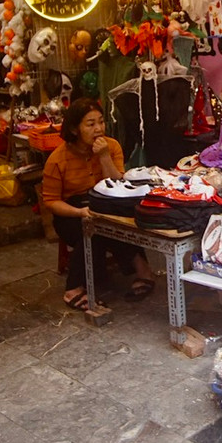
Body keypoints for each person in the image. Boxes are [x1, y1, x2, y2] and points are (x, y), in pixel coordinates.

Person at [41, 98, 156, 310]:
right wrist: (79, 212)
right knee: (93, 229)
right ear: (75, 129)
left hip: (105, 200)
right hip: (71, 211)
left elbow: (120, 184)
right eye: (90, 124)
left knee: (125, 219)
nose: (98, 129)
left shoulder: (111, 146)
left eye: (101, 122)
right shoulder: (58, 159)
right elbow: (50, 202)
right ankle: (73, 289)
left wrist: (103, 156)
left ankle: (143, 271)